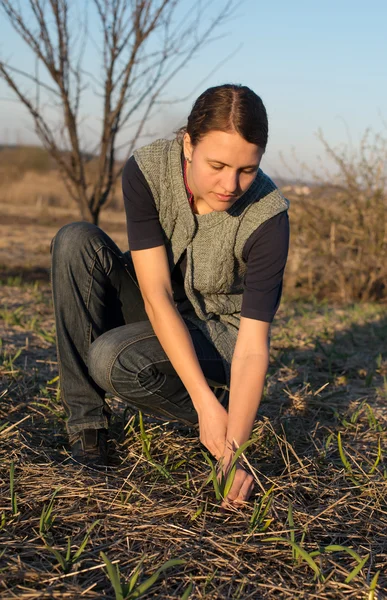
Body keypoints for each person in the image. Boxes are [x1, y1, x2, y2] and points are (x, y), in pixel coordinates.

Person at [50, 83, 289, 507]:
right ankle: (88, 429)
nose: (231, 184)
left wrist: (234, 448)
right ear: (188, 143)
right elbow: (156, 294)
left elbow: (252, 348)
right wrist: (202, 403)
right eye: (217, 165)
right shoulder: (148, 170)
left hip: (218, 336)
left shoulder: (268, 217)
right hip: (156, 308)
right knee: (74, 241)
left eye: (247, 170)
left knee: (112, 358)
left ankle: (227, 415)